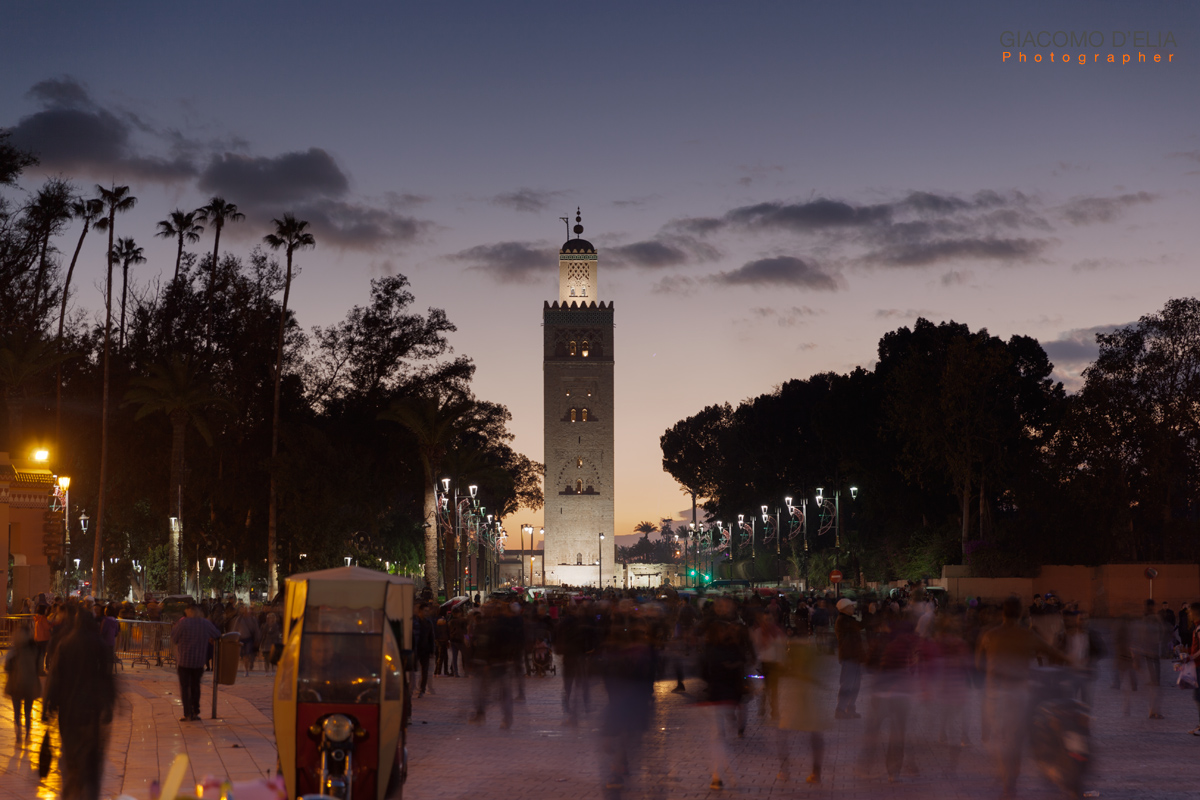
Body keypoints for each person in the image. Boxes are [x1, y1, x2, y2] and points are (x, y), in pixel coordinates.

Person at [976, 596, 1065, 799]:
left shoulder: (989, 634)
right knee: (1015, 738)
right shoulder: (1027, 635)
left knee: (999, 738)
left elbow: (978, 663)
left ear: (1002, 613)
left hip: (996, 693)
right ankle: (1012, 780)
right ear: (1021, 614)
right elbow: (1053, 653)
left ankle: (1006, 779)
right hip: (1018, 693)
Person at [44, 608, 117, 800]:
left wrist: (48, 704)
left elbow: (55, 676)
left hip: (68, 709)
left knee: (70, 749)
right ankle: (87, 786)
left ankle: (73, 785)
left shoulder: (66, 643)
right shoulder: (99, 644)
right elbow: (107, 676)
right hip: (91, 708)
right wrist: (109, 703)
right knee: (90, 749)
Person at [775, 634, 833, 784]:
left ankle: (785, 771)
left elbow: (784, 670)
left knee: (783, 732)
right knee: (814, 734)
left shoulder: (792, 652)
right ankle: (816, 772)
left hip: (795, 694)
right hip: (809, 695)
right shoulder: (811, 652)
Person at [171, 602, 222, 721]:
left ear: (188, 611)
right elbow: (217, 634)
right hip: (198, 661)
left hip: (184, 661)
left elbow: (174, 638)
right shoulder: (205, 623)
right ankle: (195, 711)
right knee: (195, 686)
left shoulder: (182, 623)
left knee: (185, 687)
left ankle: (187, 713)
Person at [4, 620, 42, 742]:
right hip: (30, 685)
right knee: (28, 712)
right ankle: (27, 734)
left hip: (16, 685)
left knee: (17, 712)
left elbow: (7, 668)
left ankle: (19, 734)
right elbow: (39, 669)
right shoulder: (34, 649)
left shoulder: (15, 650)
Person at [834, 597, 865, 718]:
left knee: (855, 684)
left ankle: (850, 708)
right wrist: (869, 613)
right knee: (848, 684)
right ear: (845, 609)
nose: (853, 608)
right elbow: (860, 625)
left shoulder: (847, 620)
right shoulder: (843, 621)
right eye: (851, 606)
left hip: (854, 656)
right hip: (849, 656)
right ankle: (841, 709)